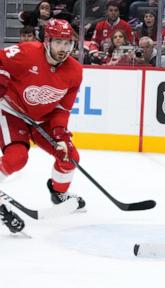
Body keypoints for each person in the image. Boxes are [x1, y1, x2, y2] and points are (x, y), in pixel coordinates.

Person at [0, 17, 86, 226]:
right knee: (17, 157)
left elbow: (62, 109)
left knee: (69, 156)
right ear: (47, 41)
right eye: (58, 42)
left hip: (42, 120)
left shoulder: (75, 72)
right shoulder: (27, 52)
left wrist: (60, 134)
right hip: (12, 112)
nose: (63, 48)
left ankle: (58, 193)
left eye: (67, 43)